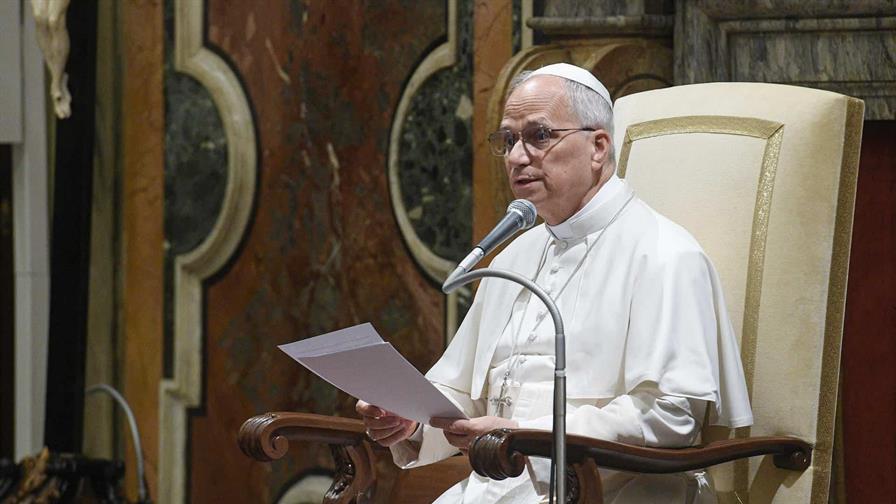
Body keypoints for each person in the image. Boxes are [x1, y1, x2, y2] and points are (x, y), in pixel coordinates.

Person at [357, 63, 753, 503]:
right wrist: (410, 420)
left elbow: (671, 414)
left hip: (615, 490)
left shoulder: (665, 254)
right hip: (497, 487)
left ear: (598, 147)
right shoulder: (516, 256)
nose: (516, 156)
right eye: (508, 140)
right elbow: (463, 391)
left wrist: (530, 435)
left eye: (539, 136)